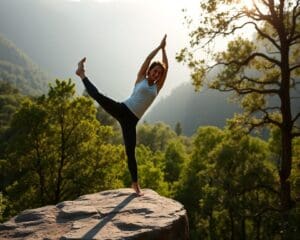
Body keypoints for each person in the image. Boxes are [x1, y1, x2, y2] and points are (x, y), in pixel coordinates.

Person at [76, 35, 168, 196]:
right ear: (149, 71)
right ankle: (82, 74)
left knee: (130, 152)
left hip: (131, 122)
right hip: (123, 109)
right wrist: (159, 48)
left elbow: (167, 70)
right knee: (98, 96)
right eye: (154, 71)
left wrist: (165, 52)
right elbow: (148, 59)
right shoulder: (141, 78)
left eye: (159, 73)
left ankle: (135, 185)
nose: (156, 74)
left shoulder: (157, 88)